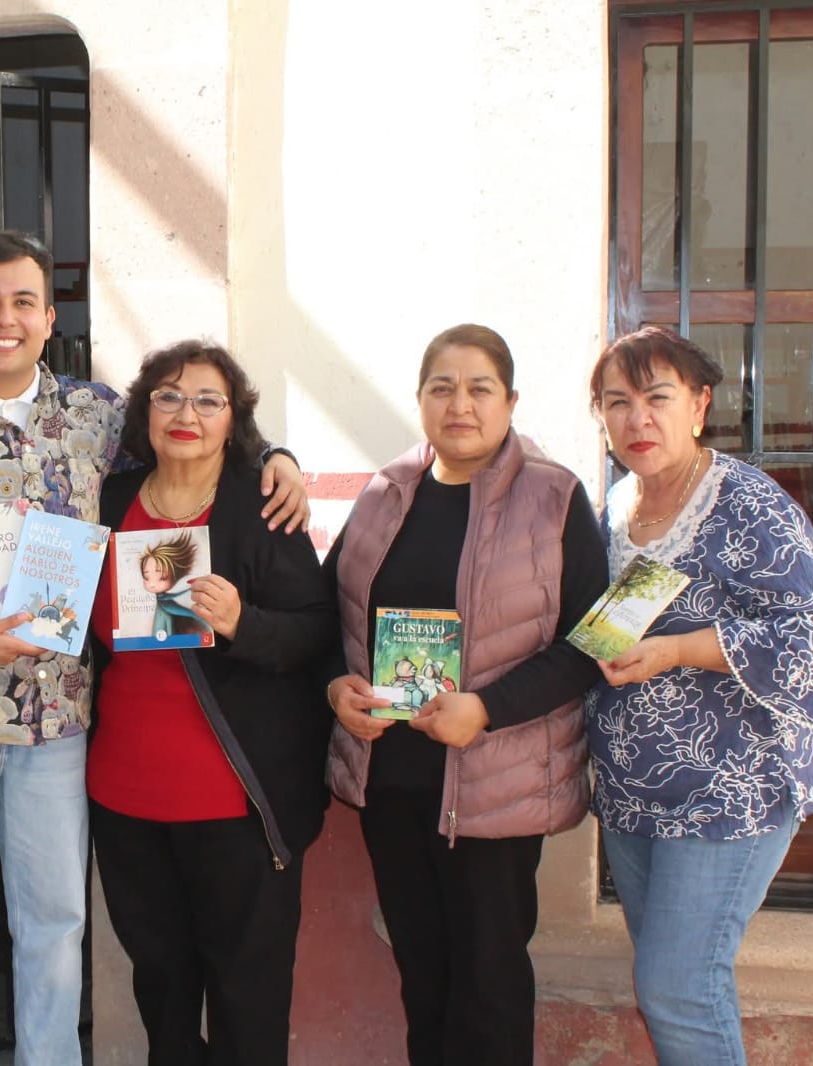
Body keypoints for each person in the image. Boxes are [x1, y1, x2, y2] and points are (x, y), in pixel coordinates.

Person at [0, 231, 309, 1066]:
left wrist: (277, 455)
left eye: (23, 301)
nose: (5, 318)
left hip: (59, 722)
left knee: (56, 925)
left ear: (48, 318)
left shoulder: (97, 419)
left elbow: (195, 430)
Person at [324, 323, 608, 1065]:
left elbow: (591, 642)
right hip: (394, 783)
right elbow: (329, 609)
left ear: (510, 401)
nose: (460, 405)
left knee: (488, 990)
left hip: (495, 789)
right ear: (420, 399)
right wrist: (335, 684)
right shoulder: (385, 494)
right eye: (442, 387)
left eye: (480, 388)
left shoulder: (554, 497)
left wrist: (485, 709)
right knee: (424, 980)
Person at [586, 326, 813, 1065]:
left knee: (677, 988)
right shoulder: (614, 507)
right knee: (678, 983)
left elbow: (808, 641)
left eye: (657, 398)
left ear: (699, 406)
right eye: (617, 402)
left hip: (730, 792)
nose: (638, 419)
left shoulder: (749, 506)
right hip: (633, 795)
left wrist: (677, 650)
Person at [87, 340, 336, 1065]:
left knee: (246, 1004)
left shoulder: (260, 506)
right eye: (167, 395)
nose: (185, 413)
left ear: (234, 420)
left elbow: (317, 630)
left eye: (207, 400)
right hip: (126, 801)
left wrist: (241, 625)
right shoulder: (106, 501)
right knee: (163, 995)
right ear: (144, 412)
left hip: (236, 805)